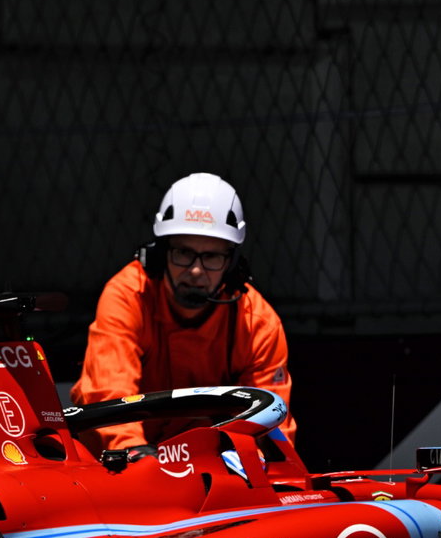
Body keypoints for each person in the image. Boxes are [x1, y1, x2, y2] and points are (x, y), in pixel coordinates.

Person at [70, 172, 296, 454]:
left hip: (211, 466)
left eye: (212, 256)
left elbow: (271, 424)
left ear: (233, 263)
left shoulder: (258, 323)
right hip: (119, 464)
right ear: (161, 254)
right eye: (184, 253)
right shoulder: (128, 296)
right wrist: (134, 453)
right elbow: (109, 392)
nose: (196, 270)